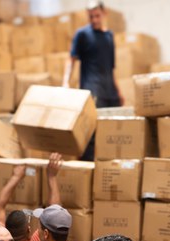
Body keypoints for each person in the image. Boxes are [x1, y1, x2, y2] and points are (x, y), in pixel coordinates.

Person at [63, 1, 123, 160]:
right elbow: (71, 59)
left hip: (110, 92)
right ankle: (87, 170)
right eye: (91, 17)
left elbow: (111, 68)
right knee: (91, 134)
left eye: (97, 16)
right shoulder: (81, 34)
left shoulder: (109, 36)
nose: (94, 20)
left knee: (112, 132)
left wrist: (118, 91)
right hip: (92, 90)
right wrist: (65, 83)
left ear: (104, 14)